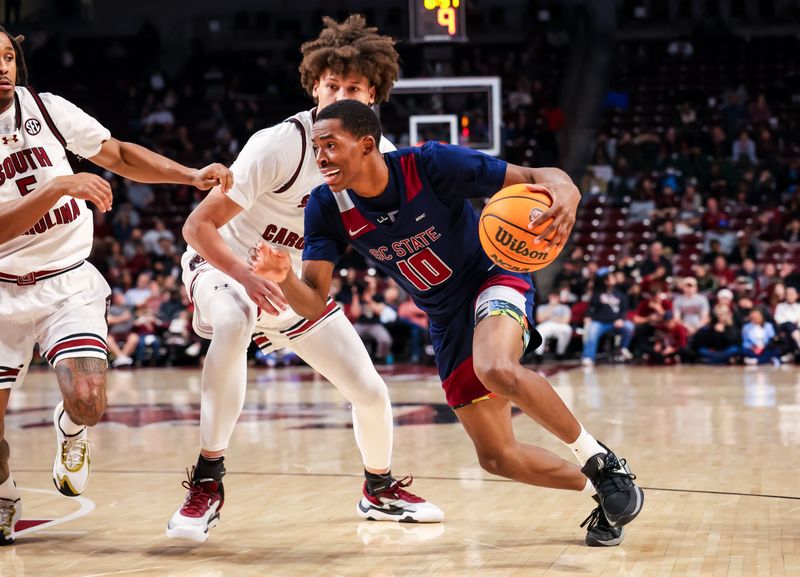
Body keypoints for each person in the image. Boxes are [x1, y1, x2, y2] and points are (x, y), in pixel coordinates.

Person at [250, 100, 644, 547]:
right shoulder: (325, 205)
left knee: (494, 367)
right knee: (497, 458)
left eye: (329, 145)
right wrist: (283, 277)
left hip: (492, 277)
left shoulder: (431, 164)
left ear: (365, 145)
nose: (319, 157)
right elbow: (313, 301)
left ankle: (600, 461)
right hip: (444, 316)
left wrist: (567, 189)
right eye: (316, 148)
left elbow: (540, 176)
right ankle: (607, 493)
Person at [168, 15, 442, 543]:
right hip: (226, 266)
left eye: (355, 88)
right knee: (233, 319)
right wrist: (247, 276)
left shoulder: (374, 160)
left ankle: (378, 489)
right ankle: (208, 480)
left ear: (373, 96)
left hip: (292, 283)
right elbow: (197, 226)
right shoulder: (278, 144)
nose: (341, 94)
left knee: (370, 391)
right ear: (314, 85)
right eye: (332, 85)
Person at [0, 29, 232, 544]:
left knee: (87, 398)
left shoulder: (47, 109)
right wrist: (58, 185)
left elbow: (119, 154)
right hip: (0, 288)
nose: (3, 66)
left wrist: (189, 176)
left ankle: (72, 428)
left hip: (65, 278)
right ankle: (5, 496)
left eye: (9, 55)